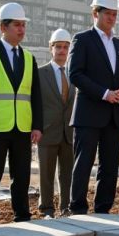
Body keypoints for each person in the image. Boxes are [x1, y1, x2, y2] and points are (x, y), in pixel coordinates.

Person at [0, 2, 43, 226]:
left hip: (22, 127)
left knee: (21, 176)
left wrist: (37, 125)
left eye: (23, 25)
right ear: (3, 27)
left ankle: (22, 216)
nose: (21, 29)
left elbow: (35, 96)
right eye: (17, 25)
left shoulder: (29, 58)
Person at [69, 0, 119, 215]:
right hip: (89, 114)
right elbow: (75, 74)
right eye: (108, 13)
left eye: (115, 14)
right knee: (84, 163)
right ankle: (77, 207)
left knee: (110, 165)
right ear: (95, 13)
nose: (112, 18)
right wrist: (104, 93)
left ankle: (103, 208)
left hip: (113, 116)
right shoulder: (83, 39)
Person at [37, 28, 75, 218]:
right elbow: (34, 103)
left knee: (67, 173)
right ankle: (46, 208)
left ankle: (65, 207)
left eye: (65, 47)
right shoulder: (40, 73)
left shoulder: (74, 74)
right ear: (51, 48)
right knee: (46, 174)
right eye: (58, 47)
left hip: (69, 133)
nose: (62, 51)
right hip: (47, 131)